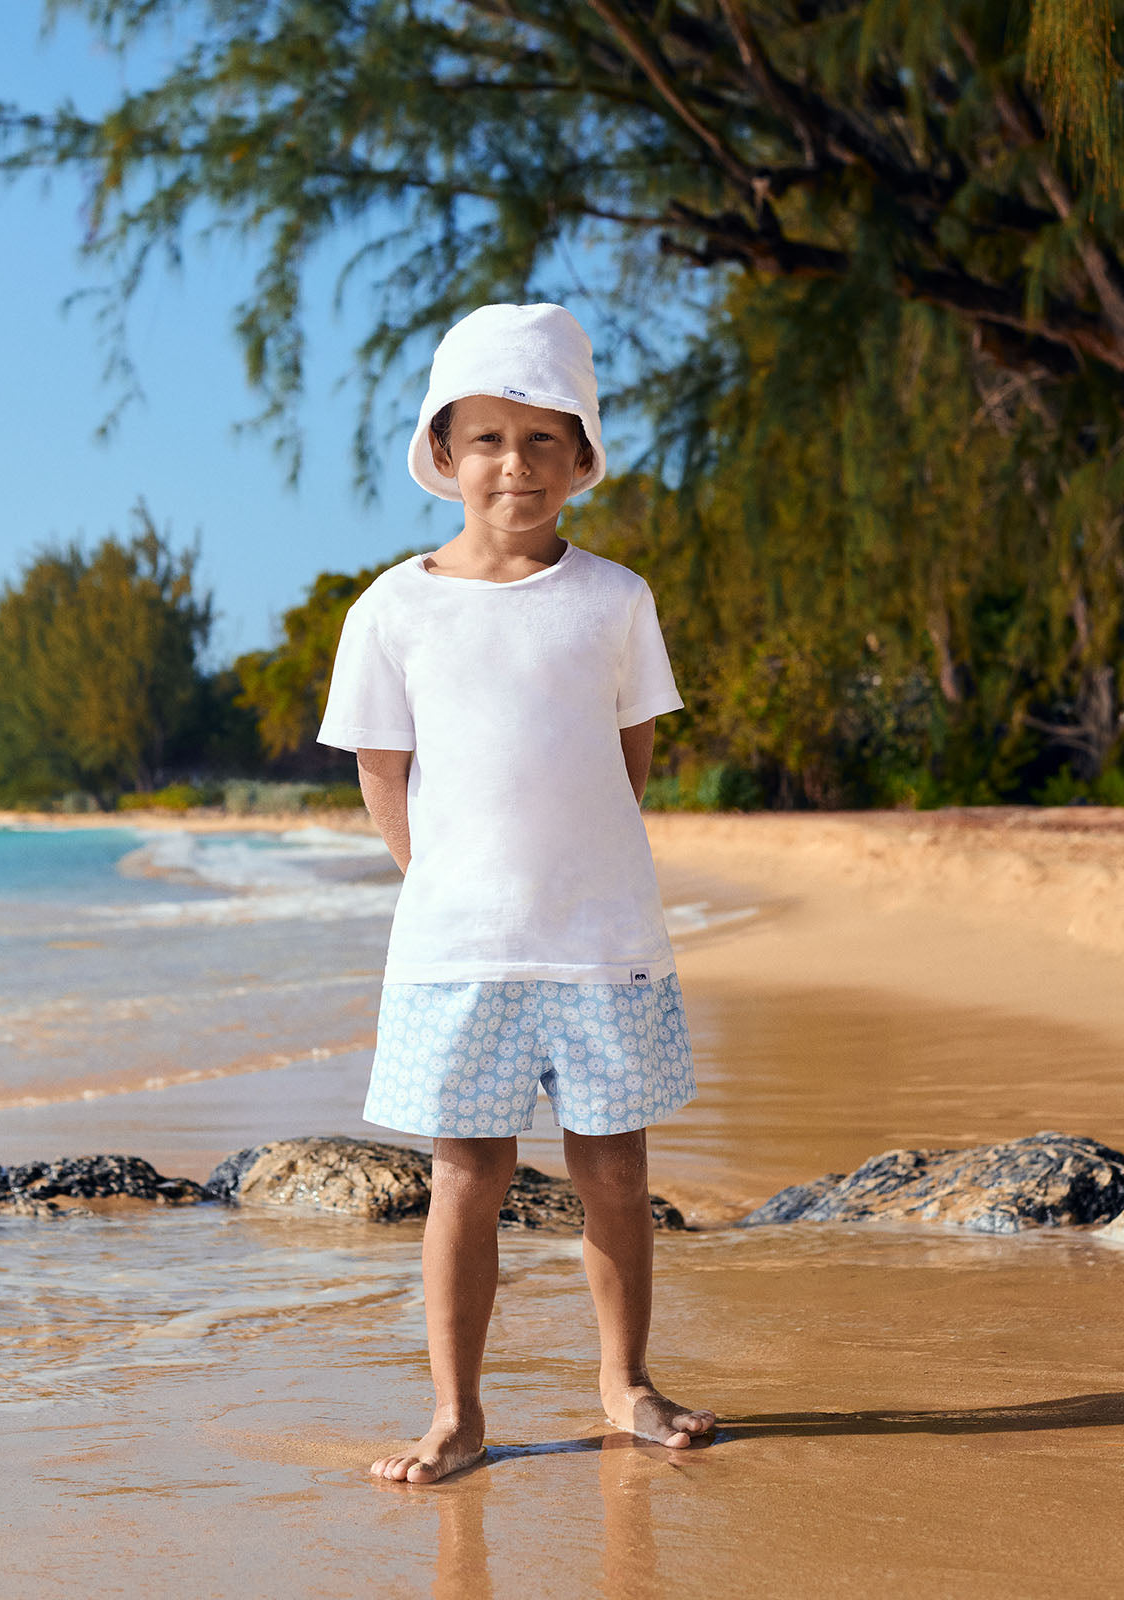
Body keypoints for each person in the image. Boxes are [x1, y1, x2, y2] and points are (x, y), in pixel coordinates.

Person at [318, 302, 715, 1484]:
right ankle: (457, 1411)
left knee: (616, 1172)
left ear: (582, 456)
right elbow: (384, 777)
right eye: (488, 437)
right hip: (459, 948)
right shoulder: (391, 609)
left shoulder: (614, 599)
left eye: (546, 439)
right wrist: (448, 884)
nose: (516, 465)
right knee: (467, 1177)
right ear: (444, 454)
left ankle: (626, 1384)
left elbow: (626, 762)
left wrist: (572, 877)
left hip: (604, 941)